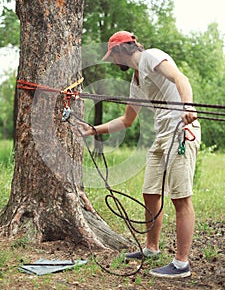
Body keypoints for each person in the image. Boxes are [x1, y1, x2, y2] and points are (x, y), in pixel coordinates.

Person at [81, 31, 201, 279]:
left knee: (180, 198)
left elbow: (181, 78)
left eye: (112, 57)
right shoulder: (136, 81)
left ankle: (181, 264)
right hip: (162, 135)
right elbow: (127, 120)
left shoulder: (151, 57)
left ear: (121, 50)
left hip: (181, 131)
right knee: (150, 192)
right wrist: (94, 130)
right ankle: (152, 249)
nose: (113, 63)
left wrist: (187, 106)